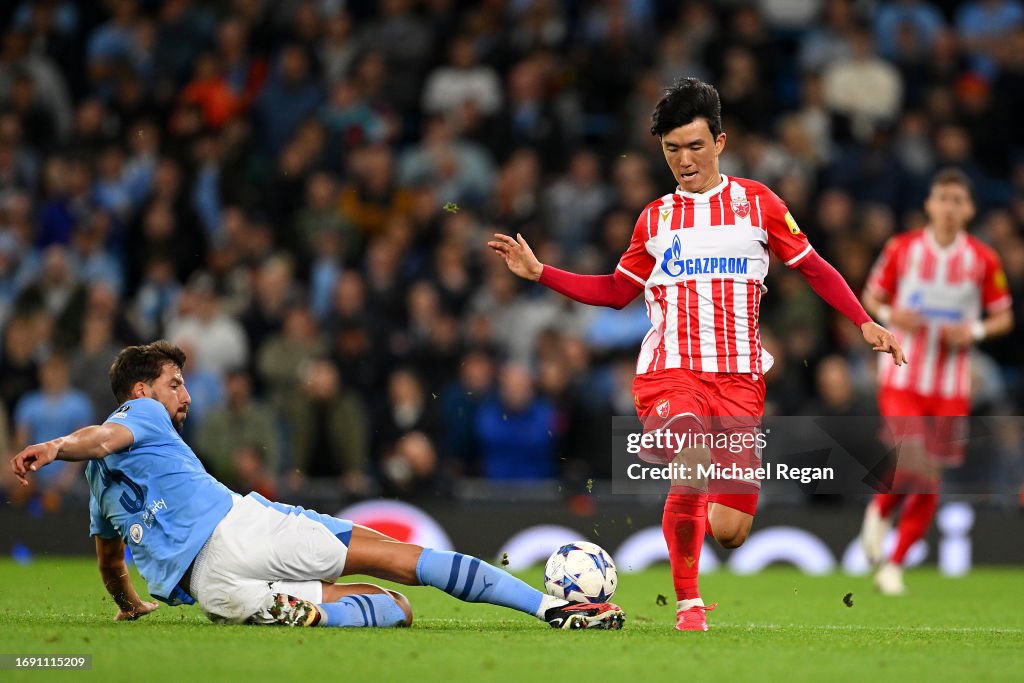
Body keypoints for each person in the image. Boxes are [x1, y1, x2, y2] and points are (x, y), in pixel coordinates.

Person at [488, 77, 905, 631]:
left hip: (739, 380)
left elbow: (813, 266)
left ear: (720, 143)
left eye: (694, 146)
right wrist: (541, 273)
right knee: (691, 457)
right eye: (671, 150)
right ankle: (689, 605)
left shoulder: (759, 204)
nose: (683, 160)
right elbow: (616, 292)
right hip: (669, 373)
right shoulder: (655, 219)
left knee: (730, 529)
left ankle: (695, 504)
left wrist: (864, 321)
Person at [9, 341, 624, 631]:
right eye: (175, 383)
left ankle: (314, 611)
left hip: (215, 590)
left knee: (390, 612)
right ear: (143, 391)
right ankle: (553, 607)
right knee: (406, 567)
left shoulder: (98, 486)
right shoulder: (135, 416)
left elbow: (109, 557)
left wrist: (128, 603)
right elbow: (97, 436)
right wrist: (57, 444)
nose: (186, 396)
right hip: (244, 529)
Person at [858, 168, 1013, 595]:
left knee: (930, 478)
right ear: (929, 204)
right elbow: (871, 297)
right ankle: (882, 513)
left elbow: (1004, 316)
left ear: (969, 209)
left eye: (957, 201)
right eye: (942, 199)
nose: (949, 208)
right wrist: (891, 316)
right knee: (915, 460)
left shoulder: (982, 259)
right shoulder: (902, 249)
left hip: (950, 385)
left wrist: (975, 332)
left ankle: (893, 564)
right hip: (902, 374)